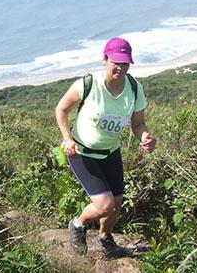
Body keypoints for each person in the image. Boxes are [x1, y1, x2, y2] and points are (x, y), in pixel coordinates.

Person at [55, 37, 156, 256]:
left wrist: (145, 136)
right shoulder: (88, 84)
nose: (120, 67)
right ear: (105, 59)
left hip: (110, 152)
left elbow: (138, 124)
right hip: (82, 153)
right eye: (115, 62)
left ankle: (104, 237)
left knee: (117, 204)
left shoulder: (135, 88)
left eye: (125, 63)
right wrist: (67, 138)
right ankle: (78, 224)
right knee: (104, 205)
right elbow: (61, 110)